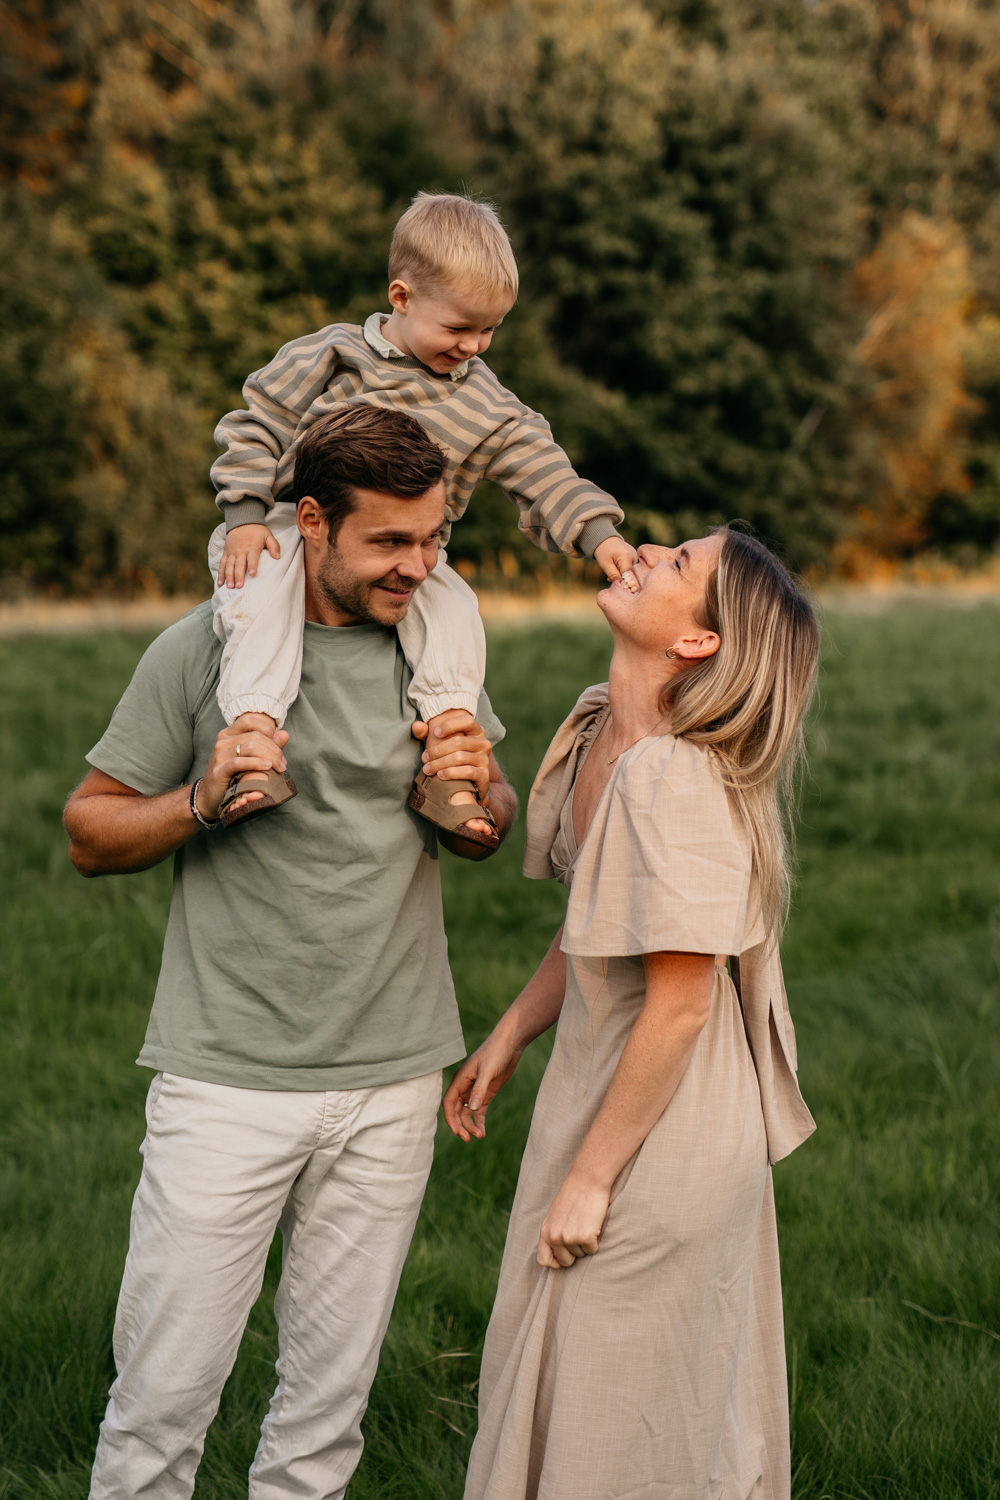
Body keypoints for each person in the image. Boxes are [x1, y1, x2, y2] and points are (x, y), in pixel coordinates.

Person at [63, 406, 517, 1500]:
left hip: (395, 1078)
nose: (417, 566)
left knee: (323, 1423)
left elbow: (486, 817)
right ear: (310, 522)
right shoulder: (205, 648)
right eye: (389, 543)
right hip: (226, 1080)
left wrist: (479, 797)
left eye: (433, 541)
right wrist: (204, 800)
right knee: (159, 1411)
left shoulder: (435, 645)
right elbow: (89, 829)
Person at [443, 527, 820, 1500]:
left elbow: (681, 1006)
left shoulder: (677, 777)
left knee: (620, 1416)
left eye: (681, 562)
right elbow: (601, 925)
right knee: (561, 1373)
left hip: (665, 1128)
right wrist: (513, 1029)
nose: (646, 548)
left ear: (697, 642)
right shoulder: (600, 727)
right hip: (601, 1087)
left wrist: (592, 1181)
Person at [207, 190, 639, 831]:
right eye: (459, 327)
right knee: (258, 600)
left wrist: (597, 533)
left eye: (490, 330)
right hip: (289, 528)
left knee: (458, 613)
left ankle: (449, 766)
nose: (474, 345)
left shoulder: (487, 402)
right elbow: (256, 422)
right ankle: (254, 741)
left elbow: (545, 469)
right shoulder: (332, 355)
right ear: (401, 298)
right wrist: (242, 512)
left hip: (413, 550)